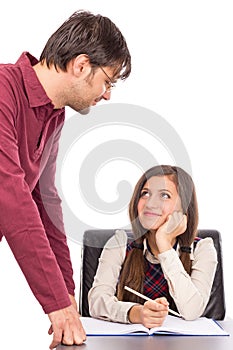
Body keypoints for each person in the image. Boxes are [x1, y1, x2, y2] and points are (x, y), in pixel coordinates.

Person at [0, 10, 131, 349]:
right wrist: (56, 304)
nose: (107, 95)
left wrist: (67, 291)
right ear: (81, 65)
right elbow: (11, 195)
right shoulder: (2, 90)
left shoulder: (52, 115)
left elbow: (46, 203)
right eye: (108, 81)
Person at [88, 165, 218, 327]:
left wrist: (164, 244)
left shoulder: (202, 249)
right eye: (145, 194)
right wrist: (135, 313)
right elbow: (96, 302)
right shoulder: (120, 243)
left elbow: (192, 311)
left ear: (184, 207)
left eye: (164, 195)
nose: (150, 203)